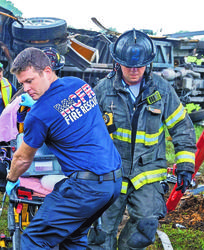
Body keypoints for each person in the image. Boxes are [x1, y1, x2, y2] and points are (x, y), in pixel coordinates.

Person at [5, 47, 122, 249]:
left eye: (30, 80)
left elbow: (23, 159)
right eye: (22, 83)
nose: (25, 88)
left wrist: (11, 179)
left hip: (86, 188)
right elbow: (65, 111)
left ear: (48, 71)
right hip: (113, 183)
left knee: (34, 238)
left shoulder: (38, 115)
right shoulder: (80, 85)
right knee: (73, 237)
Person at [93, 29, 196, 249]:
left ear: (148, 64)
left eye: (139, 66)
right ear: (117, 63)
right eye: (128, 65)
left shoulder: (162, 90)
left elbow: (181, 127)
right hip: (110, 172)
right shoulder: (103, 91)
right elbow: (86, 132)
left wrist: (186, 165)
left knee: (145, 227)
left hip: (147, 173)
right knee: (100, 232)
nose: (134, 70)